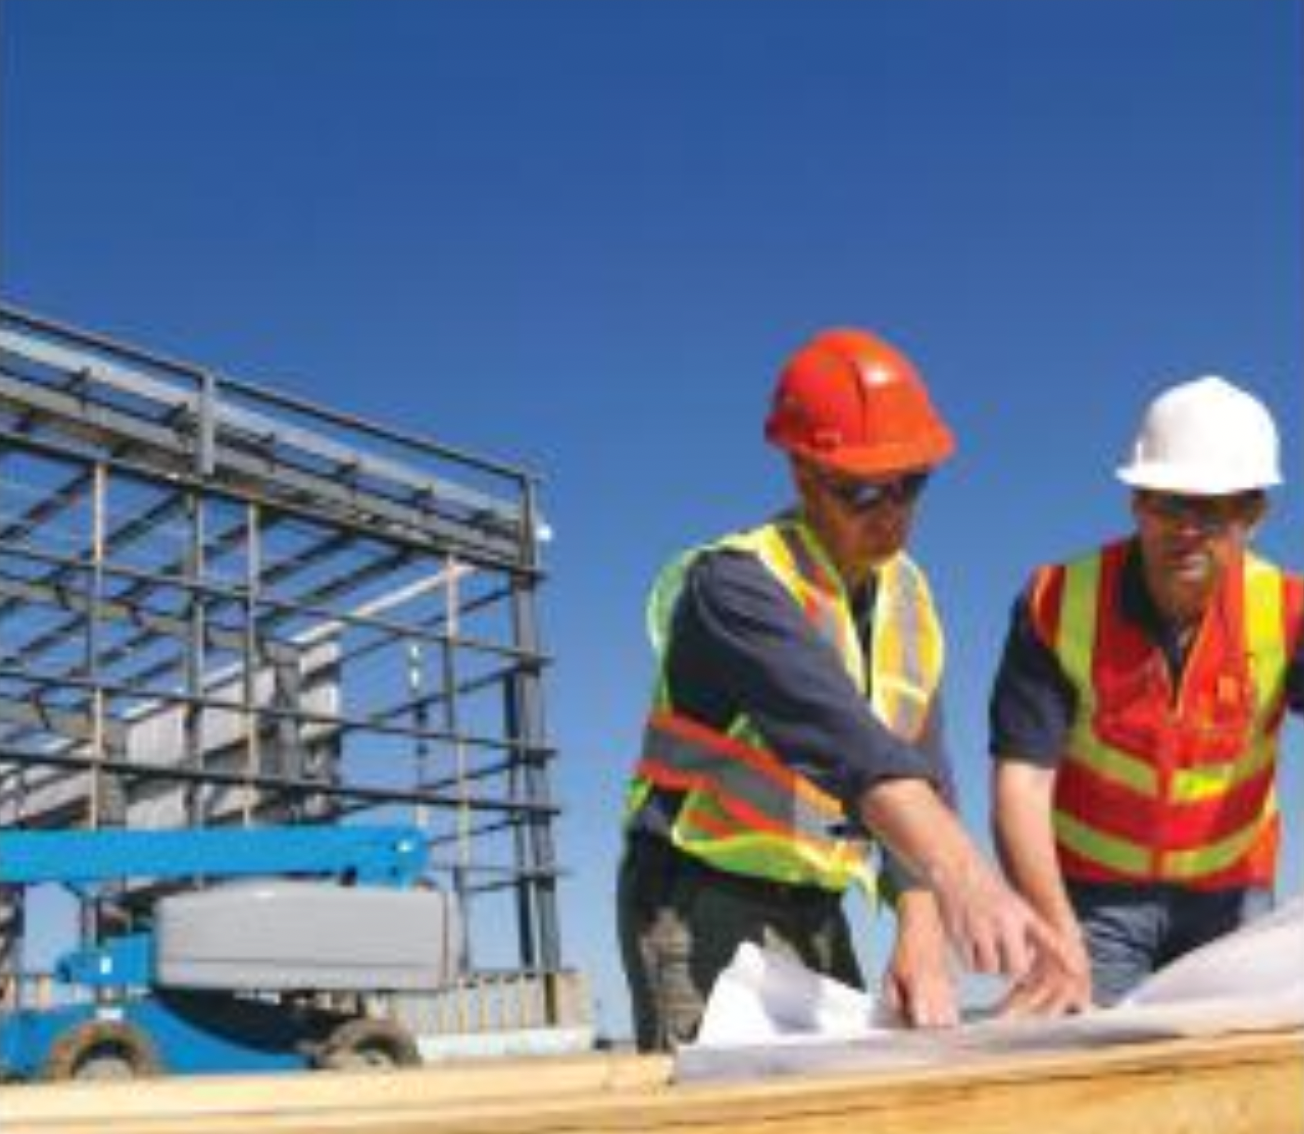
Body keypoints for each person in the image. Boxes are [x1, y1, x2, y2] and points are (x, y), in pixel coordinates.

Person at [618, 327, 1058, 1052]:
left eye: (910, 484)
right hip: (696, 894)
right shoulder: (736, 586)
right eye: (861, 491)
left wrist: (920, 929)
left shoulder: (908, 600)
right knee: (720, 1101)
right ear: (803, 473)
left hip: (816, 902)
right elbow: (847, 743)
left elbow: (921, 770)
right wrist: (963, 873)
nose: (891, 511)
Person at [990, 375, 1303, 1013]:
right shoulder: (1056, 603)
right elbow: (1022, 783)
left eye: (1211, 511)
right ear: (1135, 502)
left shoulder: (1290, 612)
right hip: (1090, 901)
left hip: (1232, 896)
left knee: (1236, 1064)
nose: (1185, 530)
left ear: (1252, 516)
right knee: (1079, 1057)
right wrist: (1055, 933)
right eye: (1167, 506)